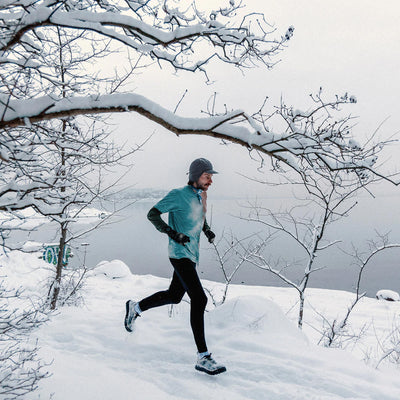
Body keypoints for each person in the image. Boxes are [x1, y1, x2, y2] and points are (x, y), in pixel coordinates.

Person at [124, 158, 226, 375]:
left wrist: (207, 230)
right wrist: (172, 233)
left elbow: (199, 218)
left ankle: (136, 307)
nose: (210, 181)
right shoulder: (178, 194)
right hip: (179, 254)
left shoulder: (201, 197)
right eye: (207, 176)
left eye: (211, 177)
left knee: (174, 295)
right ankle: (203, 356)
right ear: (195, 175)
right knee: (200, 298)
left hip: (191, 254)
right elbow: (152, 214)